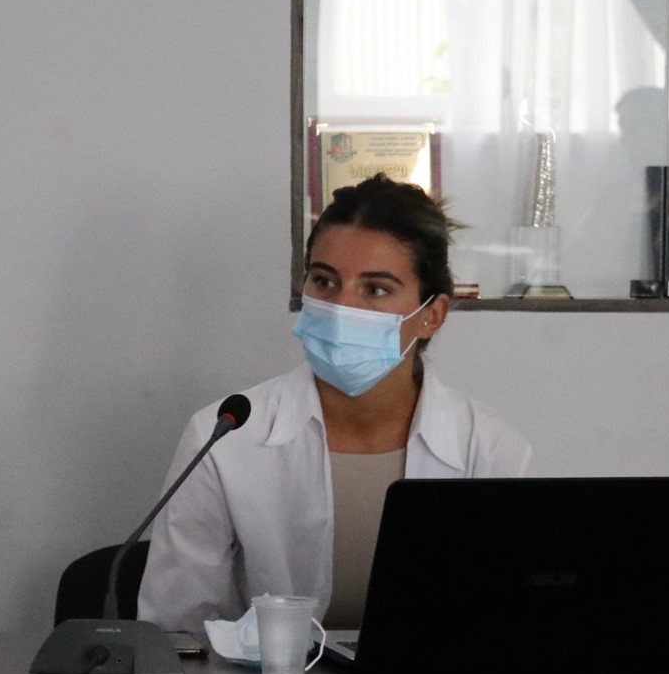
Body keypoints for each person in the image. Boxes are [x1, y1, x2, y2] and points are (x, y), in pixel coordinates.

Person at [137, 175, 531, 636]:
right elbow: (175, 630)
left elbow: (511, 624)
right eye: (324, 281)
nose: (342, 307)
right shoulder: (225, 433)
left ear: (431, 314)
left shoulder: (490, 449)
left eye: (375, 289)